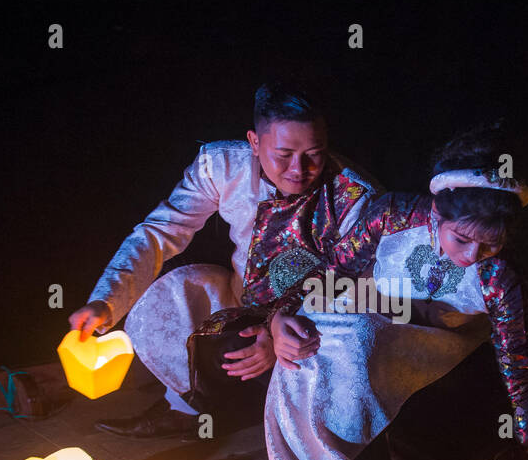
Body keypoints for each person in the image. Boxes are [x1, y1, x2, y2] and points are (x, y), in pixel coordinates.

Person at [220, 124, 528, 460]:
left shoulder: (500, 281)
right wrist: (277, 317)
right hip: (370, 305)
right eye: (461, 239)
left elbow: (522, 385)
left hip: (433, 337)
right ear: (437, 214)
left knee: (357, 337)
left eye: (490, 245)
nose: (471, 256)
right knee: (309, 338)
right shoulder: (394, 215)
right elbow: (328, 268)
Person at [68, 82, 379, 438]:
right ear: (254, 142)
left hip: (315, 320)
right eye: (283, 154)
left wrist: (282, 328)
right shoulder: (221, 167)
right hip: (241, 299)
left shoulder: (353, 195)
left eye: (314, 153)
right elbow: (159, 232)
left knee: (333, 352)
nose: (299, 169)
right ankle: (187, 410)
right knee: (171, 295)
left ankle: (305, 433)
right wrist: (104, 301)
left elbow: (359, 287)